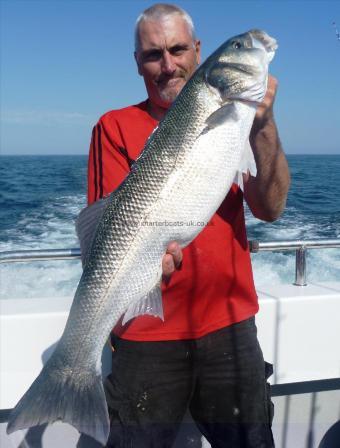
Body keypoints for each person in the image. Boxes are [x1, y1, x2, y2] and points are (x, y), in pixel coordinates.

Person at [87, 4, 290, 447]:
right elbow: (108, 235)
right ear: (137, 61)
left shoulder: (243, 122)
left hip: (231, 325)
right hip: (145, 337)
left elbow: (271, 208)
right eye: (152, 55)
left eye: (178, 49)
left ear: (198, 51)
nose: (168, 65)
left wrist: (265, 123)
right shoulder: (113, 126)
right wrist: (146, 265)